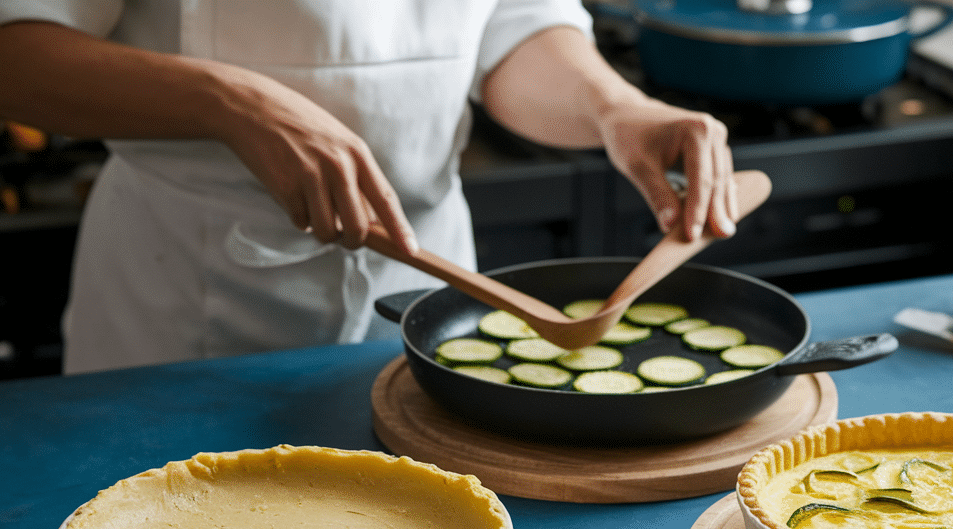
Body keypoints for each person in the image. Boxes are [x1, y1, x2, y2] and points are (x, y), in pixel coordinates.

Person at [0, 2, 738, 373]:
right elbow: (17, 50)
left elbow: (511, 29)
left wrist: (617, 110)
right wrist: (229, 102)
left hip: (422, 288)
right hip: (189, 311)